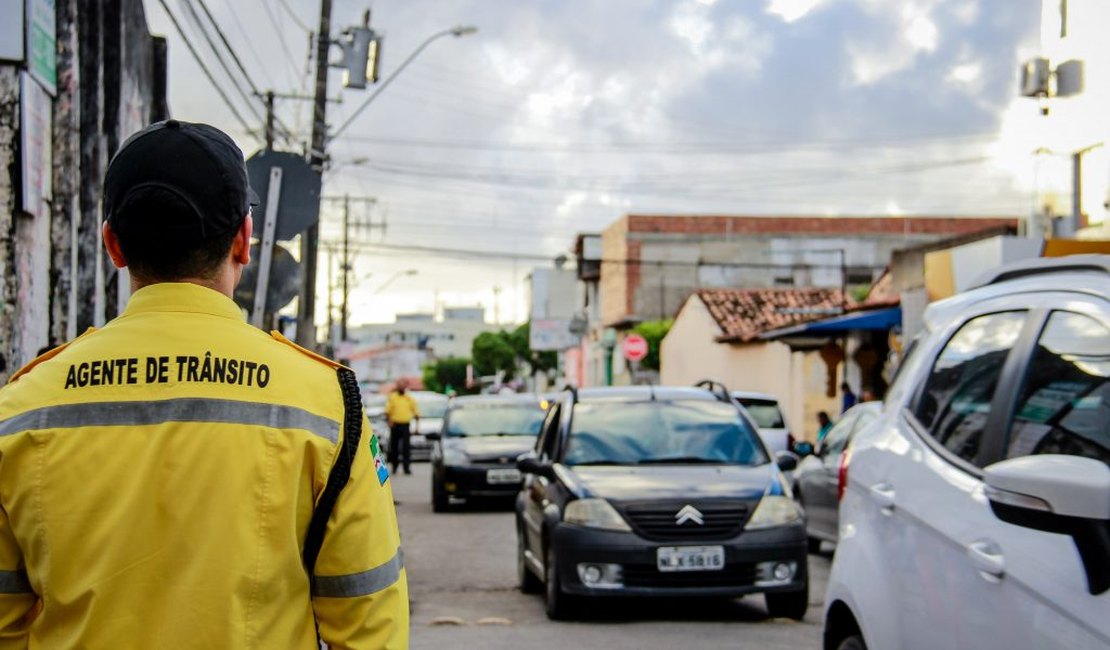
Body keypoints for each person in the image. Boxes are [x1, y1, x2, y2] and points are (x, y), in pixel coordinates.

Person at [0, 120, 408, 648]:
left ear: (113, 245)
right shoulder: (328, 406)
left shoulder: (20, 408)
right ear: (244, 240)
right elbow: (370, 627)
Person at [386, 379, 420, 475]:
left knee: (406, 448)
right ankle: (395, 467)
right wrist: (389, 421)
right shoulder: (392, 397)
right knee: (394, 447)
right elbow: (387, 411)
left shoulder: (409, 398)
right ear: (397, 386)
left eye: (403, 385)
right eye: (399, 385)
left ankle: (406, 468)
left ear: (405, 387)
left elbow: (416, 412)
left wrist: (417, 426)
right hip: (395, 425)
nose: (401, 387)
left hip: (405, 425)